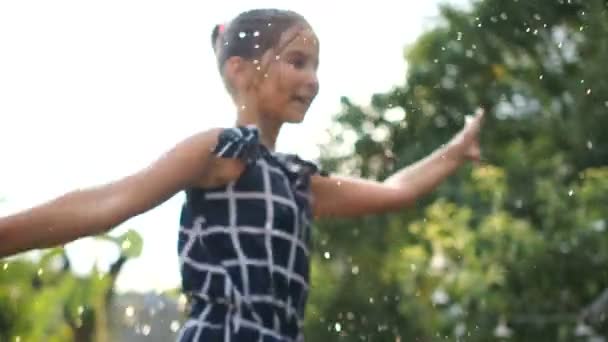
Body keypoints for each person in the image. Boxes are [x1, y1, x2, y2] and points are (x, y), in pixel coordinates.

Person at [0, 8, 483, 342]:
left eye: (316, 66)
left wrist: (455, 152)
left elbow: (393, 191)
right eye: (298, 62)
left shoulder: (296, 180)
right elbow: (110, 203)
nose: (313, 80)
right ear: (241, 70)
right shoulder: (222, 152)